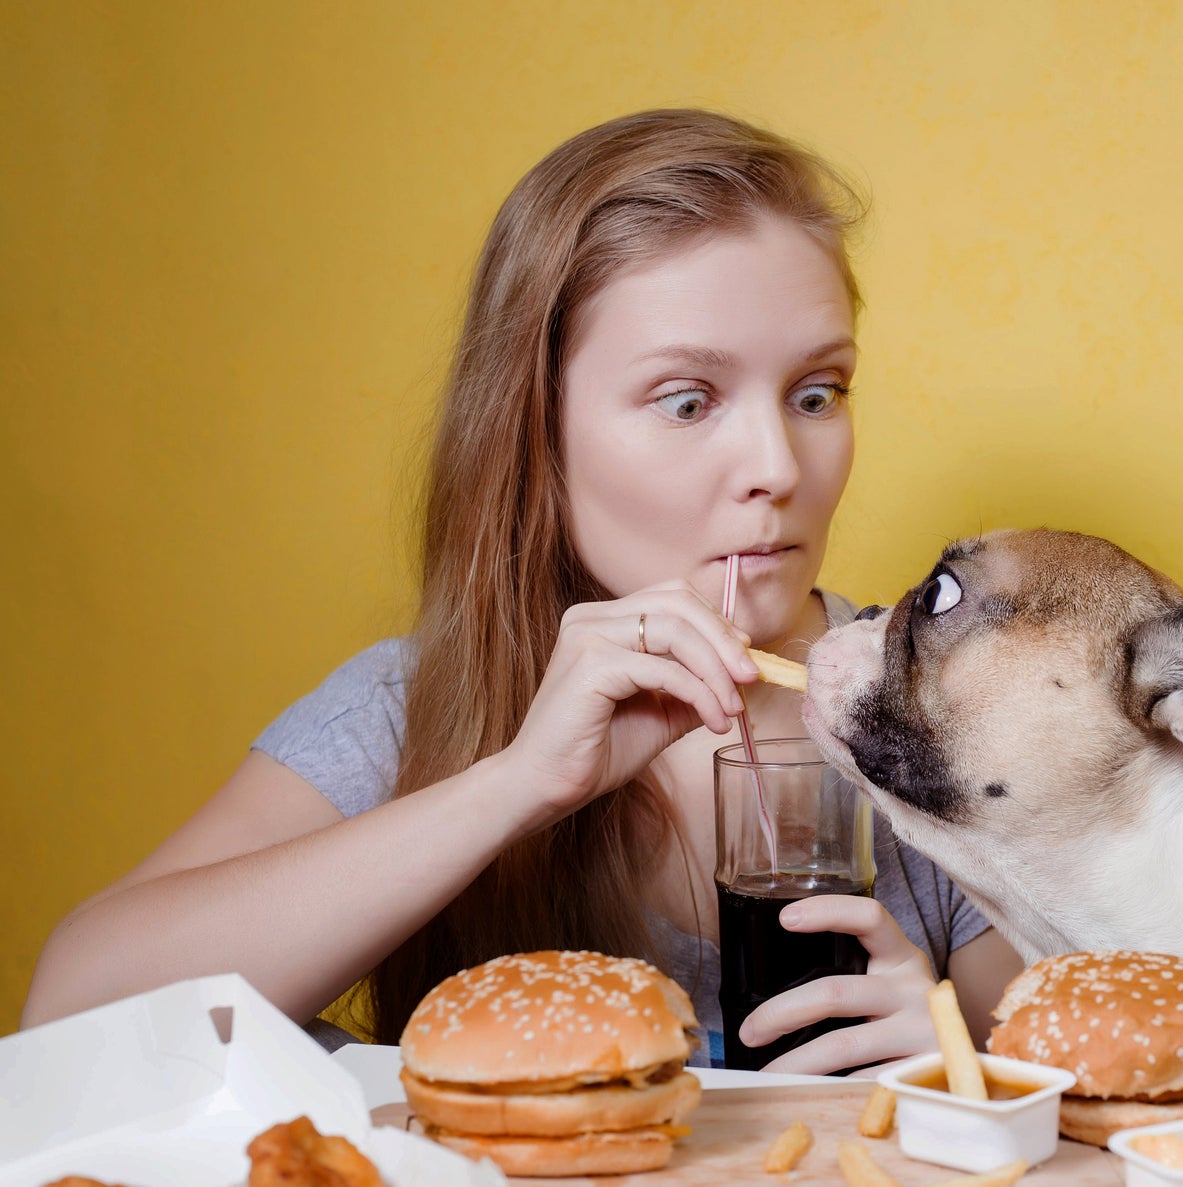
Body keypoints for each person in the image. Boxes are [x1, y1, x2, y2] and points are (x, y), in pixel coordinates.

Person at [22, 109, 1026, 1072]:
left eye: (816, 393)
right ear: (535, 429)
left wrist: (952, 1056)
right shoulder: (410, 707)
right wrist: (515, 783)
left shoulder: (936, 717)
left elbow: (1107, 1114)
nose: (777, 463)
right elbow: (68, 1021)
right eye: (687, 399)